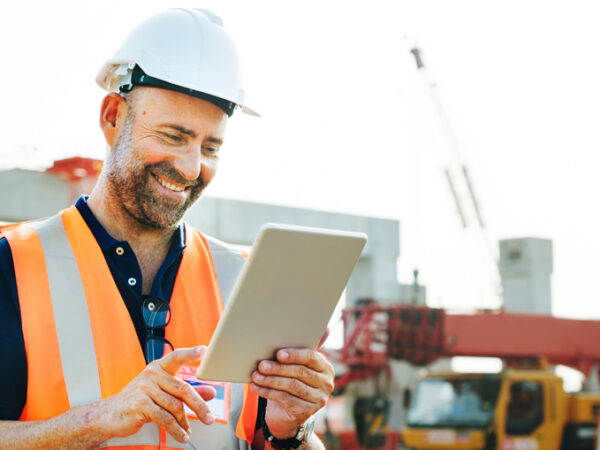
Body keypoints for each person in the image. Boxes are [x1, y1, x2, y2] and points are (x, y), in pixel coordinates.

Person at [0, 8, 334, 450]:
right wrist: (97, 420)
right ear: (112, 116)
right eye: (173, 136)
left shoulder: (241, 280)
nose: (192, 167)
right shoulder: (12, 265)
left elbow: (271, 440)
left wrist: (292, 431)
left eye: (210, 146)